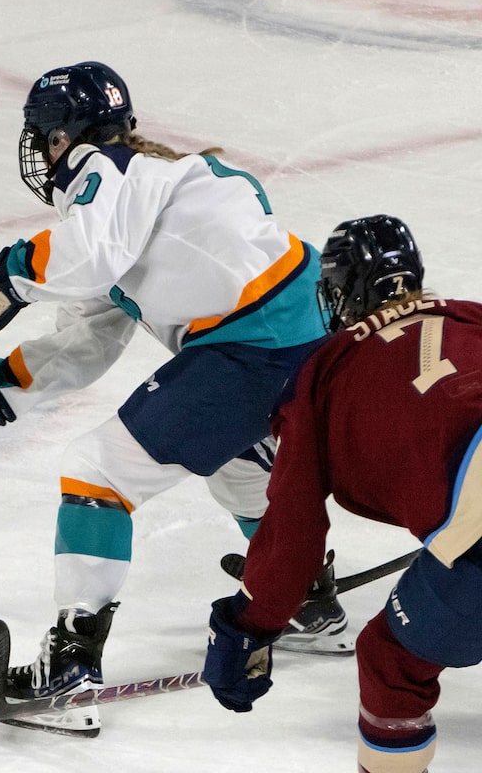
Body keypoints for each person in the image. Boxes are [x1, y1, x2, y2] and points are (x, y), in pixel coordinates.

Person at [0, 60, 345, 734]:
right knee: (230, 460)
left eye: (44, 136)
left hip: (252, 351)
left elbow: (86, 258)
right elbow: (87, 341)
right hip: (309, 344)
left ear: (62, 136)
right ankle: (303, 591)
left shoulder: (102, 171)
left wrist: (5, 276)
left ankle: (70, 673)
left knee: (98, 474)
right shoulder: (148, 190)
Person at [204, 215, 482, 773]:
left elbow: (293, 532)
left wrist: (250, 624)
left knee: (391, 660)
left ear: (342, 290)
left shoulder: (322, 374)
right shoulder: (472, 317)